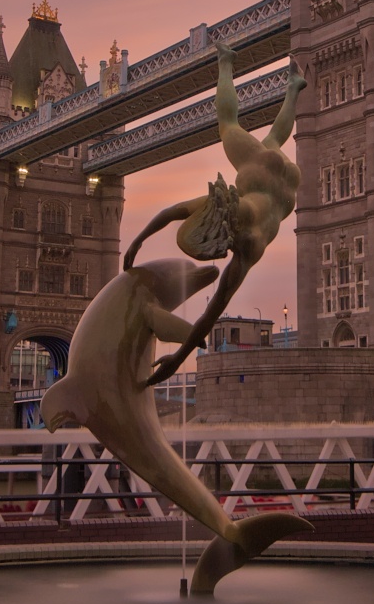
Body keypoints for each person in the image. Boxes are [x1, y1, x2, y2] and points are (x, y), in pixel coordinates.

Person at [123, 42, 303, 387]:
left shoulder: (249, 250)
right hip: (262, 173)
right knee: (232, 125)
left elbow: (209, 315)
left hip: (287, 190)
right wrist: (138, 241)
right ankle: (226, 62)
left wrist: (177, 359)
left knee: (265, 137)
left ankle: (289, 86)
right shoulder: (225, 209)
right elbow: (172, 212)